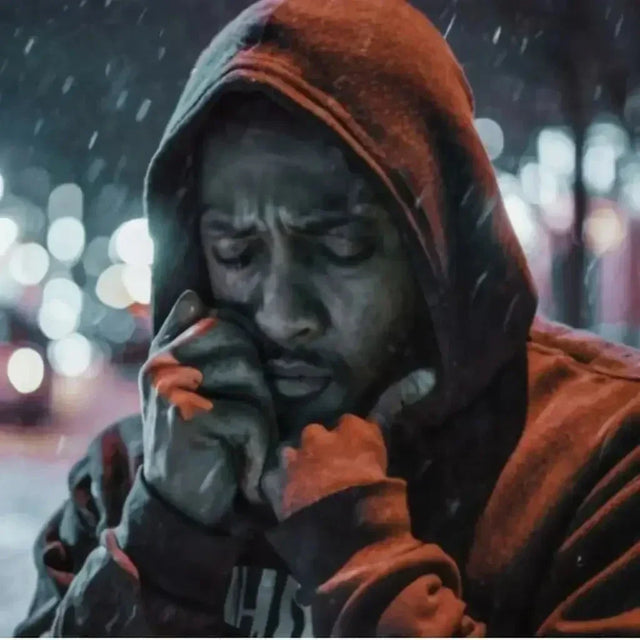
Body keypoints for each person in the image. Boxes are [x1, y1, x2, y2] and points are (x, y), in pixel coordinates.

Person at [15, 0, 640, 636]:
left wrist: (359, 548)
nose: (283, 316)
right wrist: (166, 535)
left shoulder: (600, 456)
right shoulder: (137, 470)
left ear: (437, 248)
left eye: (339, 247)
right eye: (237, 252)